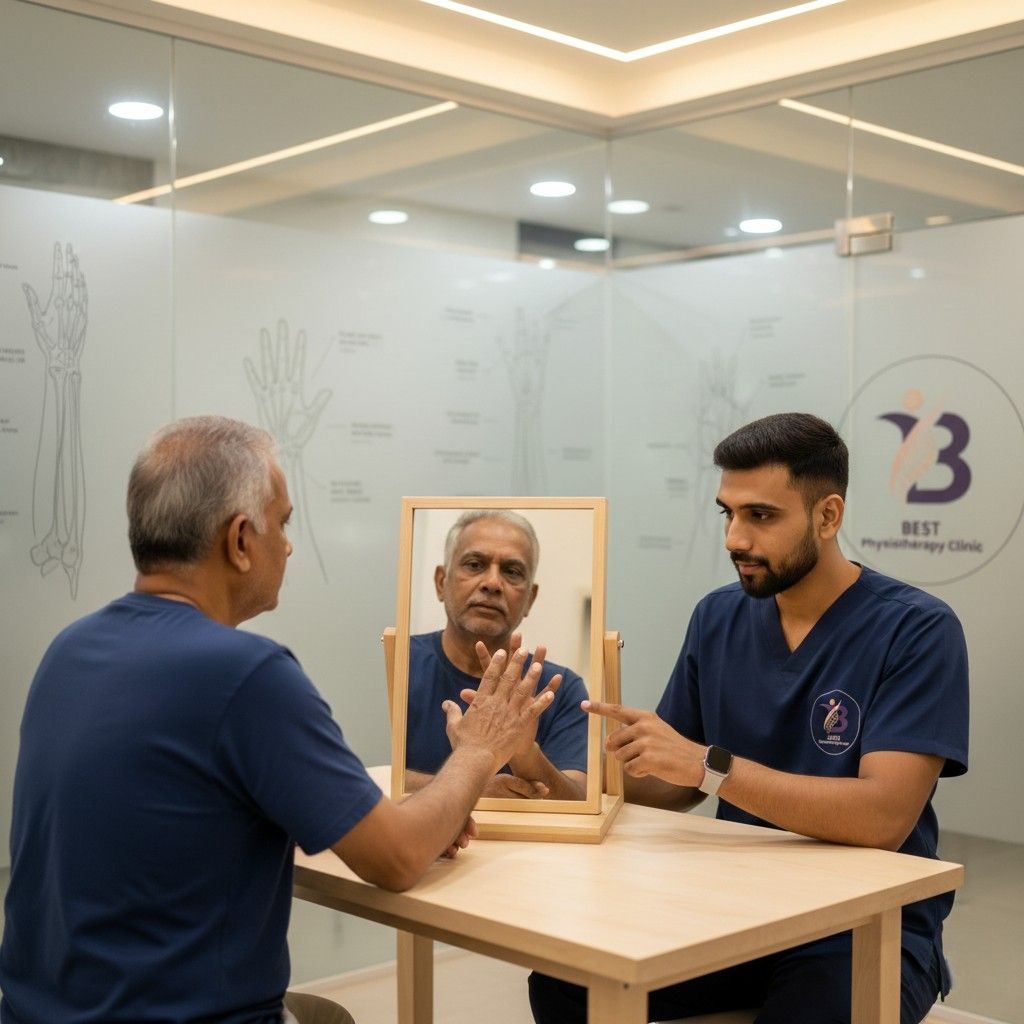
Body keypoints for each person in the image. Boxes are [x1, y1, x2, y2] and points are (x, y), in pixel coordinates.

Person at [0, 416, 557, 1024]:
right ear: (240, 541)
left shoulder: (69, 650)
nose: (288, 544)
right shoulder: (246, 674)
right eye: (283, 523)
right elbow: (395, 861)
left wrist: (426, 813)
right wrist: (479, 750)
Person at [530, 412, 969, 1024]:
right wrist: (547, 771)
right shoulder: (718, 617)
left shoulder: (917, 629)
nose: (735, 538)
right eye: (727, 514)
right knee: (564, 981)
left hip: (864, 922)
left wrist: (710, 767)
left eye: (760, 516)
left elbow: (883, 818)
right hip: (734, 907)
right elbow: (670, 783)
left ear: (828, 516)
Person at [406, 510, 589, 800]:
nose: (492, 583)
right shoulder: (401, 662)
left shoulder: (561, 689)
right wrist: (472, 788)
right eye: (475, 564)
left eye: (512, 571)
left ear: (530, 598)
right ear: (441, 582)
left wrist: (525, 753)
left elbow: (580, 802)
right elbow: (363, 775)